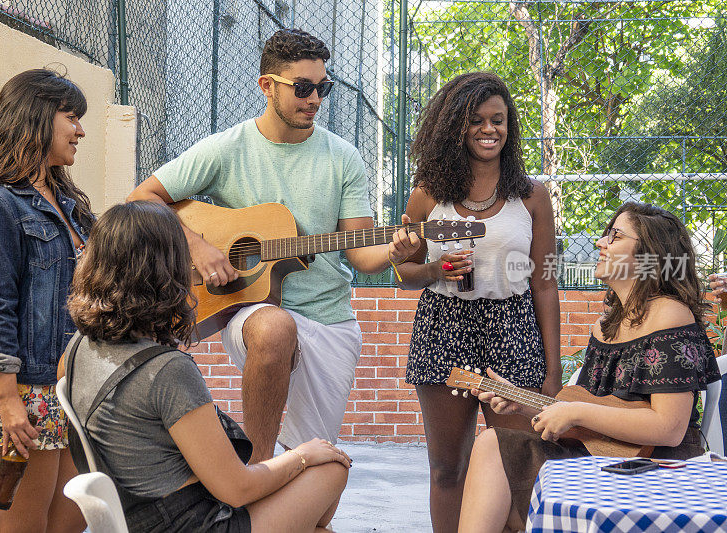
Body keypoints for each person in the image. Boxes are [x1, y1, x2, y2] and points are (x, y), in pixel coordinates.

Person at [127, 28, 419, 464]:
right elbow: (141, 197)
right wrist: (200, 248)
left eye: (323, 88)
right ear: (268, 85)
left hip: (329, 317)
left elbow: (360, 255)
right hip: (251, 305)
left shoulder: (344, 158)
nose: (315, 99)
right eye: (303, 88)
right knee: (275, 327)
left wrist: (394, 252)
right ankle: (256, 466)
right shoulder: (228, 147)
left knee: (316, 478)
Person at [59, 201, 351, 532]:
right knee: (331, 469)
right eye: (183, 256)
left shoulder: (75, 351)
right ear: (164, 271)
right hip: (193, 523)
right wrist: (302, 455)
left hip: (137, 518)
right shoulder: (166, 371)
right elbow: (237, 489)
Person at [458, 202, 721, 533]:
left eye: (615, 236)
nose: (601, 242)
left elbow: (668, 427)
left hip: (655, 467)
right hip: (601, 459)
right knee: (494, 446)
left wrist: (575, 412)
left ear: (649, 254)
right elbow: (597, 421)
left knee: (494, 452)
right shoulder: (605, 326)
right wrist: (524, 404)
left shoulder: (668, 314)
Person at [392, 71, 561, 531]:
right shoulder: (429, 194)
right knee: (449, 468)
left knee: (521, 463)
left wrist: (553, 367)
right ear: (457, 127)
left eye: (499, 120)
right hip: (444, 326)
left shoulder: (531, 196)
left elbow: (545, 282)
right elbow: (404, 272)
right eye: (478, 120)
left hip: (514, 328)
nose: (490, 130)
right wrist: (433, 270)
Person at [0, 69, 91, 532]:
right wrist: (8, 402)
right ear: (36, 118)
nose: (80, 130)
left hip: (69, 387)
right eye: (71, 117)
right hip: (23, 389)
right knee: (26, 527)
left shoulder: (66, 203)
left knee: (74, 518)